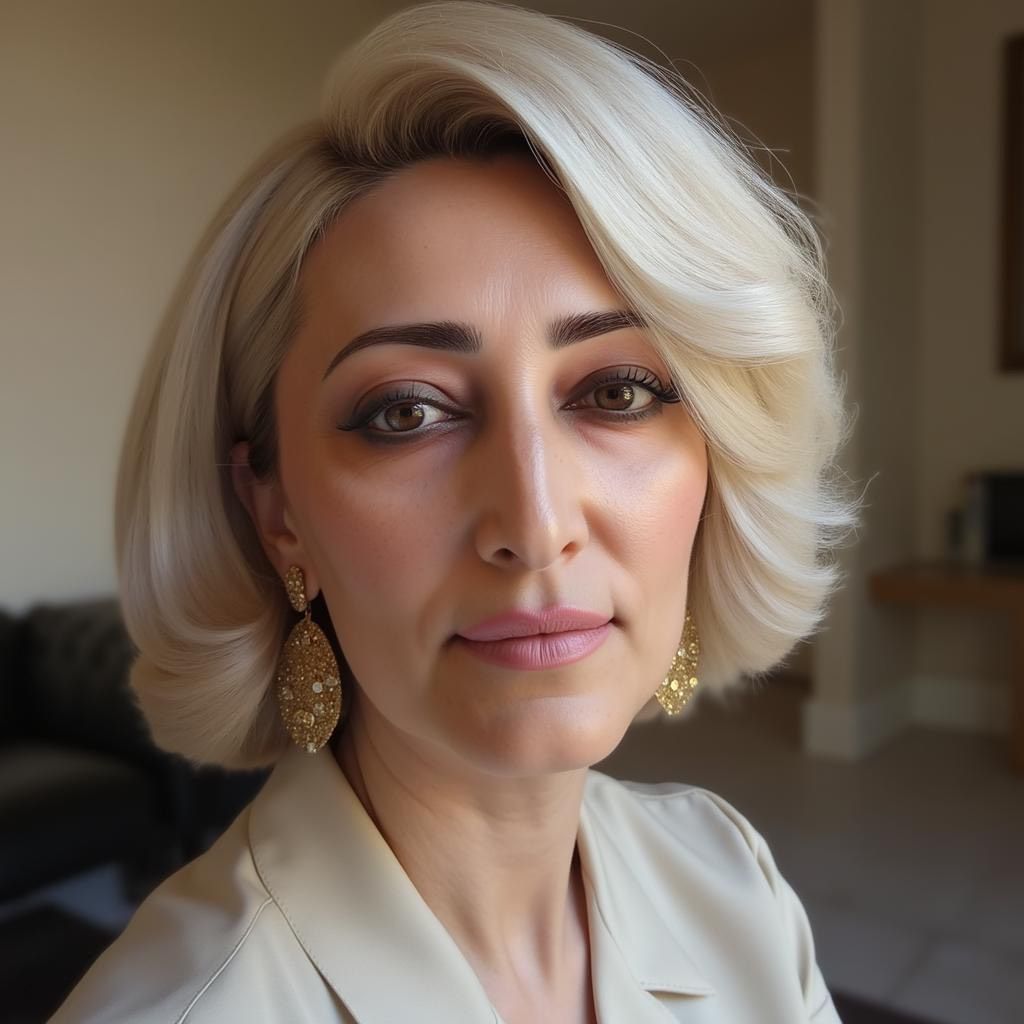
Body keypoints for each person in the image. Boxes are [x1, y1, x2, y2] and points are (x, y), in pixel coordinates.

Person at [52, 1, 860, 1020]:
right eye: (405, 411)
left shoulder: (727, 870)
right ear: (276, 510)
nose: (534, 519)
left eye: (615, 391)